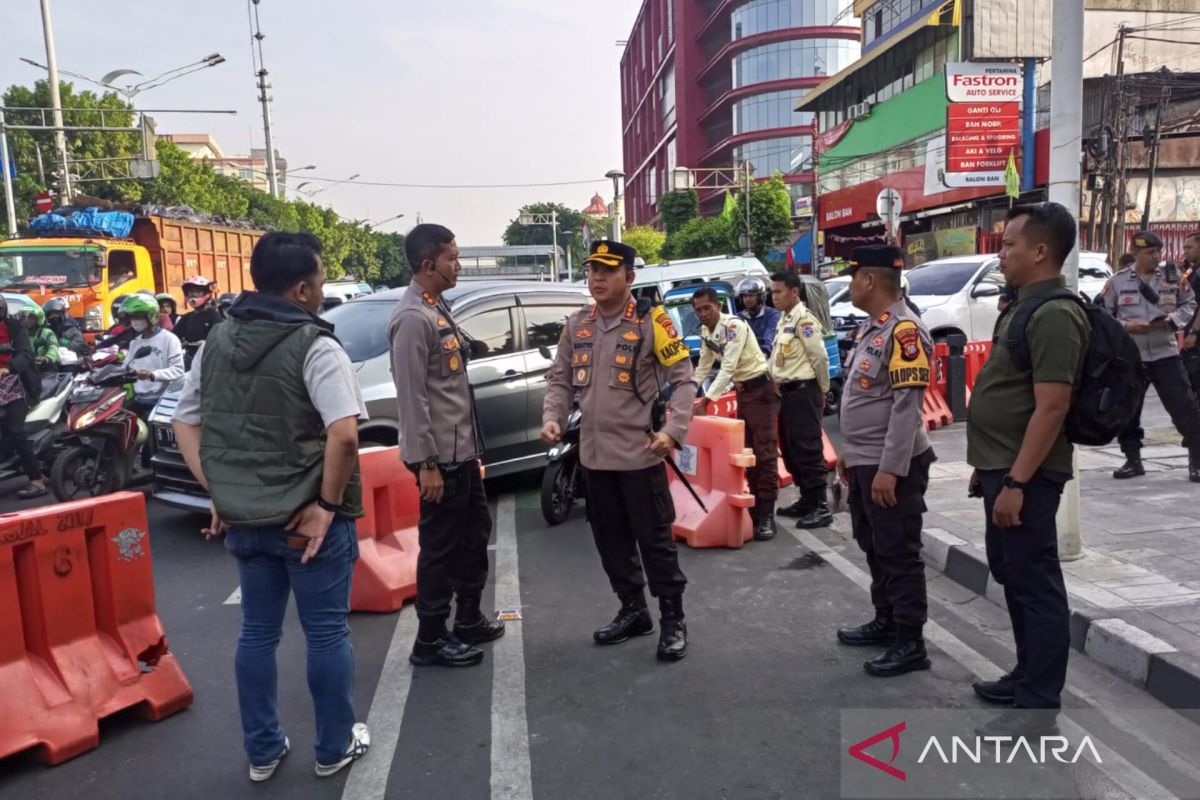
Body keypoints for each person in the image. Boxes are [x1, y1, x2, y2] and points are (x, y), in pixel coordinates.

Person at [171, 231, 371, 781]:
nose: (323, 290)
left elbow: (182, 421)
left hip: (244, 519)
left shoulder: (215, 342)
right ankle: (334, 747)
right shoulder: (316, 345)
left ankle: (263, 750)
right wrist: (327, 506)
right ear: (303, 288)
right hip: (306, 519)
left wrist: (220, 489)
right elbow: (346, 436)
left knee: (257, 633)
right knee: (327, 633)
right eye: (322, 281)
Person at [542, 240, 697, 661]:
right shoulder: (577, 325)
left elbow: (684, 380)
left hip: (639, 457)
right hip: (593, 458)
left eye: (607, 271)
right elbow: (559, 380)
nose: (597, 278)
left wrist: (674, 430)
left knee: (655, 543)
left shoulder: (653, 322)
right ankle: (633, 611)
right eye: (593, 270)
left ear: (629, 277)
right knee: (610, 542)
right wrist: (553, 416)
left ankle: (672, 618)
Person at [966, 202, 1089, 732]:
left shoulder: (1056, 314)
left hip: (1029, 477)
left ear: (1041, 251)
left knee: (1036, 584)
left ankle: (1039, 706)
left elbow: (1052, 406)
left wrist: (1016, 479)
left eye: (1011, 244)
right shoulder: (1022, 307)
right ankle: (1024, 675)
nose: (1002, 252)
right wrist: (987, 468)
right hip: (1003, 469)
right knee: (1012, 574)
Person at [388, 223, 505, 669]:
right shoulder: (412, 319)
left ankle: (469, 618)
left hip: (461, 453)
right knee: (440, 548)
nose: (458, 265)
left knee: (475, 537)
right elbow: (412, 398)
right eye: (452, 258)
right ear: (427, 263)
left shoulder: (437, 307)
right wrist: (427, 464)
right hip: (439, 458)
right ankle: (431, 639)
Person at [834, 245, 936, 677]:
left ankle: (910, 640)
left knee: (898, 551)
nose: (851, 285)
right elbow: (862, 398)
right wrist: (849, 454)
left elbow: (906, 408)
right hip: (864, 460)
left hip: (890, 465)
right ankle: (887, 619)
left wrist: (889, 470)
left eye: (853, 276)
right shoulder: (873, 328)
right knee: (873, 544)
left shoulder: (904, 331)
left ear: (870, 281)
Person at [1099, 231, 1200, 483]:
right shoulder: (1118, 282)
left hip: (1165, 353)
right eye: (1150, 253)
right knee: (1129, 410)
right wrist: (1126, 326)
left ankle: (1196, 461)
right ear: (1135, 253)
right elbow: (1103, 316)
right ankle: (1132, 460)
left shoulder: (1172, 278)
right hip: (1132, 356)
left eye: (1158, 252)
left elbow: (1190, 304)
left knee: (1185, 407)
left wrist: (1172, 320)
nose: (1157, 257)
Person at [691, 285, 779, 541]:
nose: (703, 314)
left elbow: (727, 367)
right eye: (698, 310)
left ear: (718, 305)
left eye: (707, 308)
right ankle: (755, 509)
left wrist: (706, 400)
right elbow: (703, 367)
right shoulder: (707, 331)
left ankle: (767, 516)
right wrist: (687, 392)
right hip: (744, 392)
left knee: (765, 454)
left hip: (761, 390)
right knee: (747, 453)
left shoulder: (734, 326)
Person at [769, 270, 832, 529]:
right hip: (787, 394)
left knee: (808, 449)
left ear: (794, 292)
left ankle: (821, 505)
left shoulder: (804, 321)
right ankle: (806, 500)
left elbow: (819, 358)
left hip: (804, 391)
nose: (773, 297)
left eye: (778, 291)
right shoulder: (784, 320)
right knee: (792, 450)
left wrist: (822, 389)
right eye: (772, 292)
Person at [0, 297, 48, 498]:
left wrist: (8, 368)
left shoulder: (15, 328)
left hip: (16, 385)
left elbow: (25, 355)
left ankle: (37, 480)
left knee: (15, 430)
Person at [120, 294, 185, 421]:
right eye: (132, 317)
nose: (135, 321)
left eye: (139, 316)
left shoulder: (169, 339)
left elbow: (178, 371)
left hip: (162, 401)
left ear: (151, 316)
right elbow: (125, 368)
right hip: (139, 400)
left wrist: (152, 375)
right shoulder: (135, 342)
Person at [173, 276, 223, 369]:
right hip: (189, 361)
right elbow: (172, 337)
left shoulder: (214, 316)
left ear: (206, 293)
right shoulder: (187, 318)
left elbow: (221, 339)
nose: (193, 295)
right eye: (190, 292)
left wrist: (206, 343)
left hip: (209, 360)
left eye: (197, 291)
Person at [736, 275, 781, 354]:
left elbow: (769, 338)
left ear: (760, 297)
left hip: (766, 356)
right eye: (745, 296)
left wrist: (764, 351)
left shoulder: (772, 315)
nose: (747, 299)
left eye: (751, 295)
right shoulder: (738, 317)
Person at [1181, 232, 1200, 396]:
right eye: (1184, 247)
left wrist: (1194, 332)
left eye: (1189, 247)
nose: (1185, 251)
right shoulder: (1192, 268)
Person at [18, 305, 61, 371]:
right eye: (25, 317)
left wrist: (47, 357)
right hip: (25, 368)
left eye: (31, 318)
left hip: (44, 367)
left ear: (39, 320)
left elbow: (54, 347)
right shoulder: (21, 334)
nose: (27, 320)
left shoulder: (47, 332)